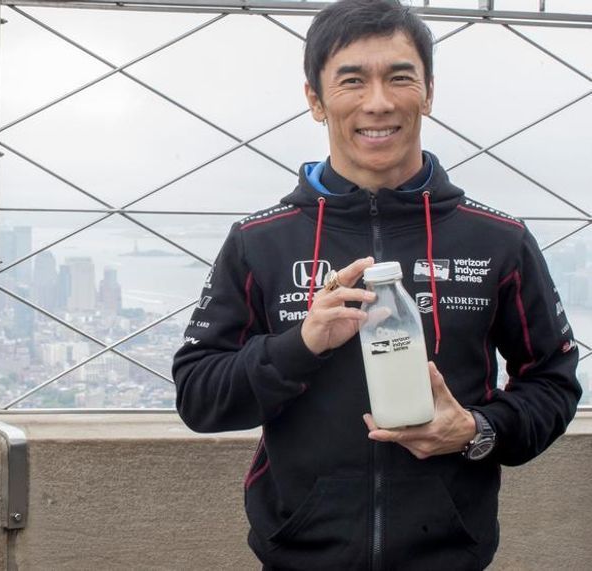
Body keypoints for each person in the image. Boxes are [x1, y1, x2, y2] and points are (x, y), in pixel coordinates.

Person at [172, 1, 582, 569]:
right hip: (298, 554)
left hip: (450, 557)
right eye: (352, 80)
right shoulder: (258, 242)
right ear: (315, 99)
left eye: (400, 77)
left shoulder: (499, 241)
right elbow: (198, 396)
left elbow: (554, 384)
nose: (379, 102)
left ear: (429, 92)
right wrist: (303, 343)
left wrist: (476, 430)